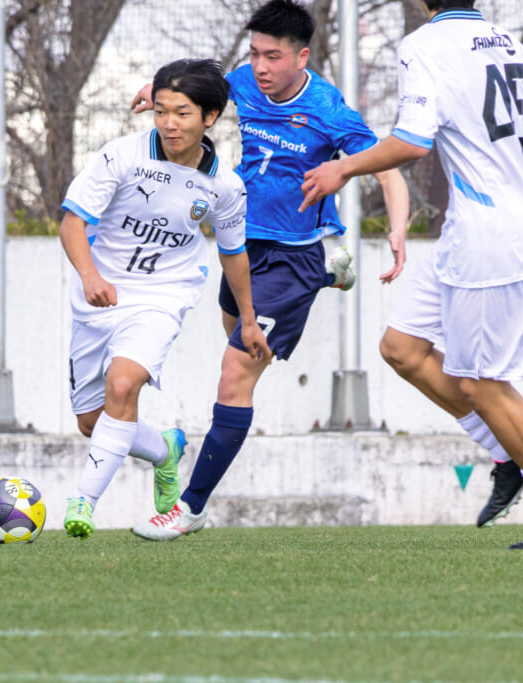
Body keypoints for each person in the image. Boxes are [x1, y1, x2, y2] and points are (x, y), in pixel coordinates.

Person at [300, 0, 523, 550]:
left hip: (490, 242)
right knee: (402, 347)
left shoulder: (424, 46)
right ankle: (507, 452)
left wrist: (343, 167)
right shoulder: (507, 42)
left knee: (484, 386)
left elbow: (412, 142)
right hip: (472, 235)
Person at [129, 0, 410, 541]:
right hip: (242, 245)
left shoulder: (329, 110)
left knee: (235, 374)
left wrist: (397, 229)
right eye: (255, 53)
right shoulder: (244, 82)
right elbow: (203, 92)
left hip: (292, 256)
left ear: (301, 57)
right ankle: (332, 269)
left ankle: (190, 507)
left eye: (272, 56)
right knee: (231, 335)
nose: (259, 66)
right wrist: (157, 92)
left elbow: (388, 169)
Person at [59, 58, 270, 539]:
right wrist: (89, 275)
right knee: (92, 423)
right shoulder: (122, 155)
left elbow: (234, 255)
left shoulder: (225, 185)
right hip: (97, 297)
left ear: (210, 117)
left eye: (182, 113)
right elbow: (73, 222)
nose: (169, 124)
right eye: (161, 111)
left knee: (124, 384)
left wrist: (249, 319)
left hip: (162, 294)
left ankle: (83, 503)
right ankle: (165, 449)